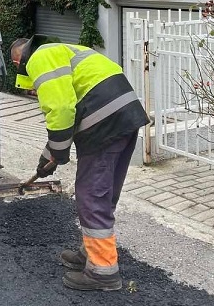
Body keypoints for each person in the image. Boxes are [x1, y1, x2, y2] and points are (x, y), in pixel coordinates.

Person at [10, 36, 149, 292]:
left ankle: (103, 272)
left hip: (104, 124)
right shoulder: (64, 52)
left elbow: (62, 110)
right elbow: (71, 113)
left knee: (91, 196)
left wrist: (59, 155)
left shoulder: (40, 58)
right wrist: (49, 157)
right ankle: (91, 252)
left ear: (19, 60)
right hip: (124, 118)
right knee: (103, 193)